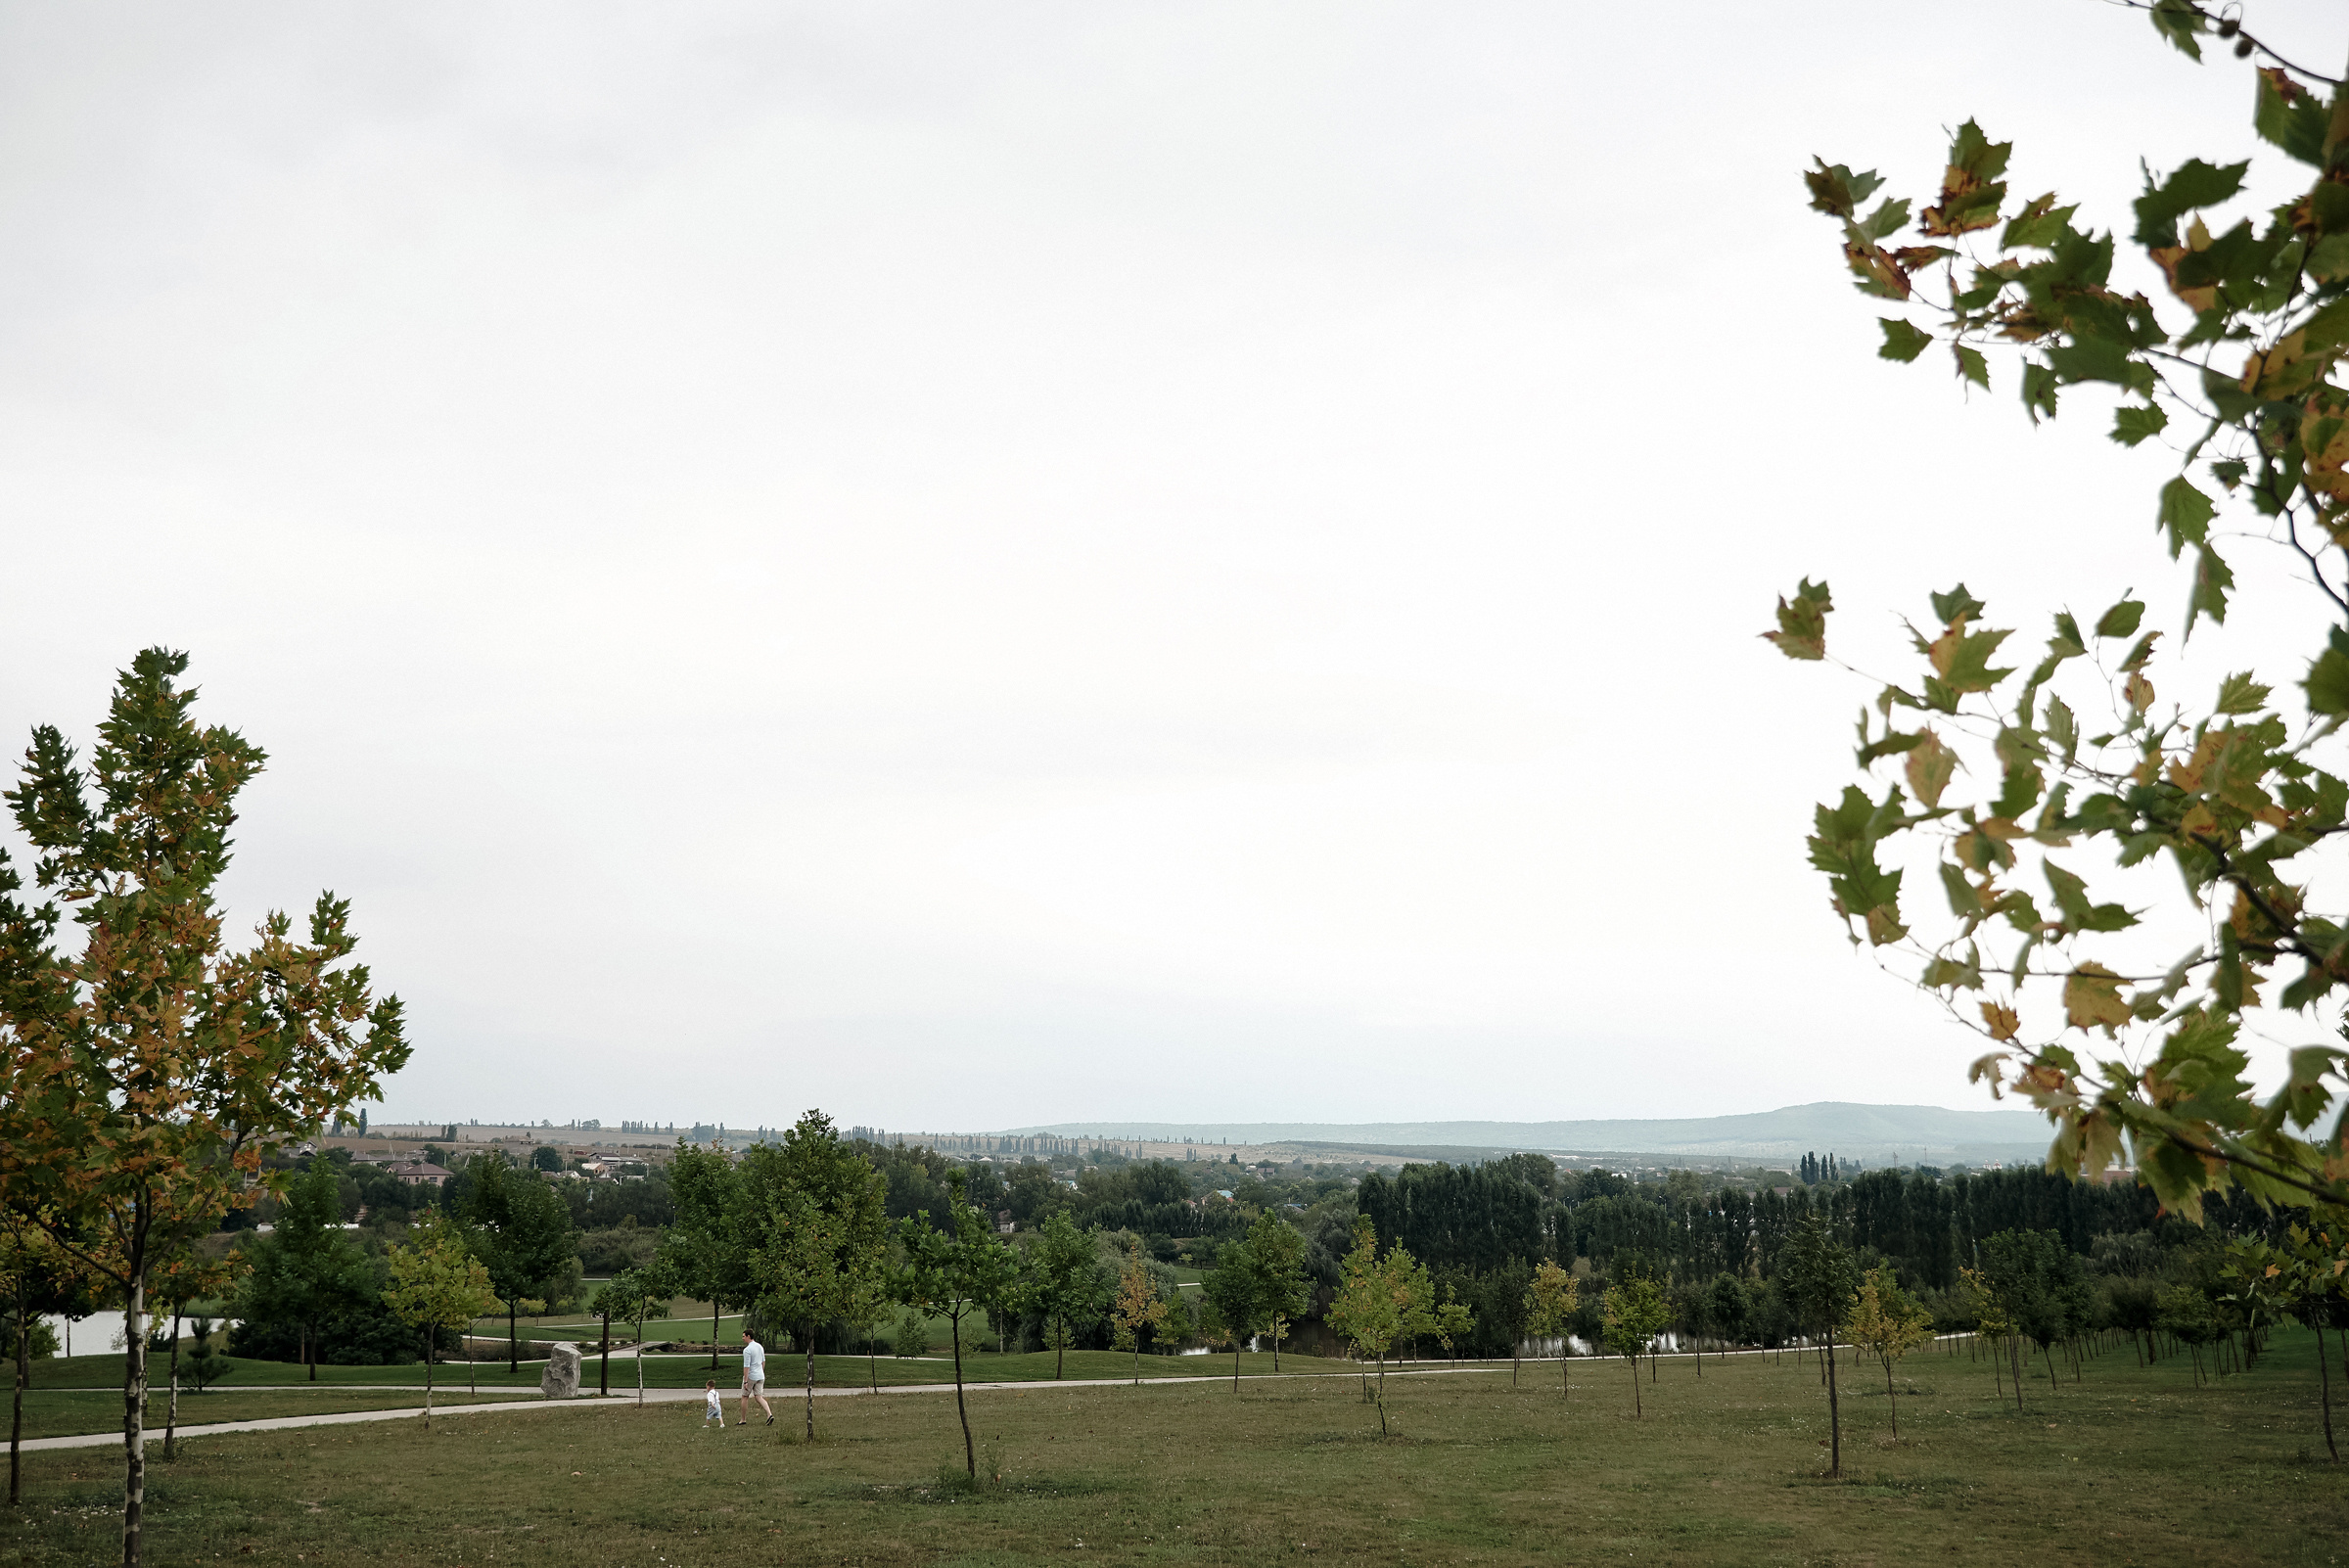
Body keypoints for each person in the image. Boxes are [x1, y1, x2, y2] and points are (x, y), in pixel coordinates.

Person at [738, 1330, 774, 1426]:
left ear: (748, 1336)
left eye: (744, 1336)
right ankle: (769, 1414)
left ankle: (743, 1419)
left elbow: (746, 1366)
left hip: (751, 1376)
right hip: (760, 1375)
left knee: (745, 1396)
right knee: (759, 1396)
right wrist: (761, 1371)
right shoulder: (760, 1347)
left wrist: (745, 1381)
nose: (742, 1338)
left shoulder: (747, 1350)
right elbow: (763, 1361)